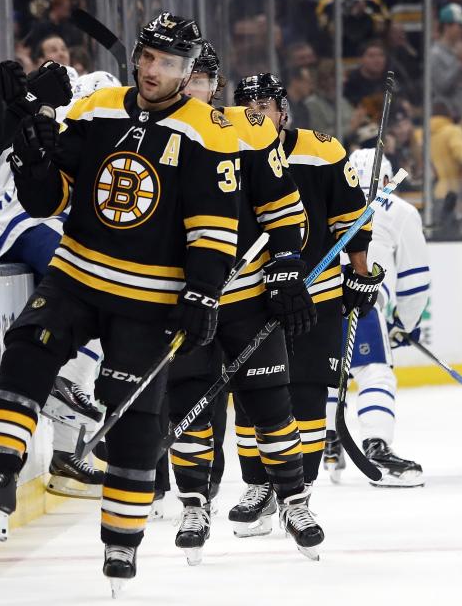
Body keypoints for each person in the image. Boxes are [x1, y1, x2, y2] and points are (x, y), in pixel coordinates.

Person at [0, 12, 240, 595]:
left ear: (189, 72)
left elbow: (214, 226)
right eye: (149, 57)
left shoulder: (211, 132)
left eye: (171, 63)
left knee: (133, 422)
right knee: (27, 352)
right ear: (136, 56)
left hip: (149, 299)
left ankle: (121, 547)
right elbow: (49, 197)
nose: (155, 71)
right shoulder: (97, 109)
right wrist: (33, 160)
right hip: (76, 276)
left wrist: (204, 292)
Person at [168, 43, 320, 565]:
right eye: (187, 78)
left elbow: (286, 211)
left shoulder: (250, 130)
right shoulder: (147, 131)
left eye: (202, 78)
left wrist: (285, 270)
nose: (193, 88)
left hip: (246, 299)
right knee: (189, 407)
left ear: (215, 84)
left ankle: (294, 501)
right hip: (182, 301)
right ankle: (193, 503)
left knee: (272, 406)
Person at [229, 72, 379, 541]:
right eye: (249, 108)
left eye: (266, 106)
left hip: (317, 295)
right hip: (252, 298)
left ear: (284, 109)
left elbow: (352, 220)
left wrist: (359, 273)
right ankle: (258, 487)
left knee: (309, 393)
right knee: (253, 397)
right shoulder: (229, 150)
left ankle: (300, 493)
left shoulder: (323, 149)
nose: (259, 115)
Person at [324, 148, 429, 487]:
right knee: (375, 373)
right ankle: (376, 447)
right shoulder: (399, 210)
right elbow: (415, 281)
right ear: (386, 179)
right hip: (362, 301)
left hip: (316, 300)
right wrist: (405, 324)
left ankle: (326, 440)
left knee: (325, 371)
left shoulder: (324, 201)